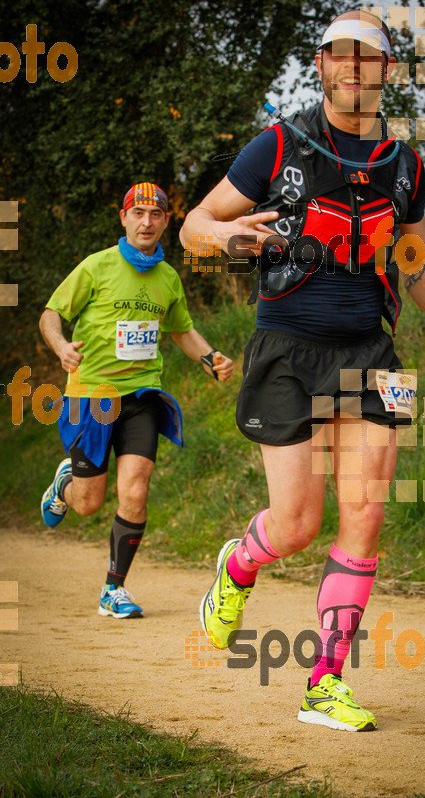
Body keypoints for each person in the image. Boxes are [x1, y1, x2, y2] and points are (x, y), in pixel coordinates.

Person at [180, 10, 425, 731]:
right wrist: (222, 233)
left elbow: (413, 262)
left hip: (371, 353)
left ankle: (324, 682)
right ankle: (238, 565)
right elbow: (195, 224)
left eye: (369, 57)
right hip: (286, 346)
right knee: (295, 525)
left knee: (366, 515)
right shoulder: (278, 145)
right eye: (339, 56)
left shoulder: (406, 164)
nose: (354, 67)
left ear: (388, 72)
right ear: (320, 66)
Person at [40, 182, 233, 619]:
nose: (147, 222)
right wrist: (60, 346)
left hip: (143, 395)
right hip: (91, 397)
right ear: (124, 218)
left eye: (156, 215)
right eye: (138, 213)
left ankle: (114, 589)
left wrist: (210, 357)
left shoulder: (167, 278)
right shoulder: (96, 267)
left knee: (136, 489)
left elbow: (180, 330)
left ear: (166, 221)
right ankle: (63, 484)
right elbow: (50, 314)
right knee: (88, 503)